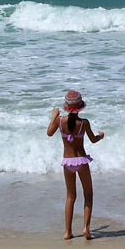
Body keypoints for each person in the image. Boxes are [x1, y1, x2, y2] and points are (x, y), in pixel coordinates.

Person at [46, 90, 104, 240]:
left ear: (66, 106)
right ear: (80, 107)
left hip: (67, 162)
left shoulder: (59, 121)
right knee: (88, 194)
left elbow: (49, 133)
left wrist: (53, 116)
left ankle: (67, 232)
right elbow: (93, 139)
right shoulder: (83, 123)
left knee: (70, 197)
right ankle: (86, 228)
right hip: (81, 160)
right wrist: (101, 136)